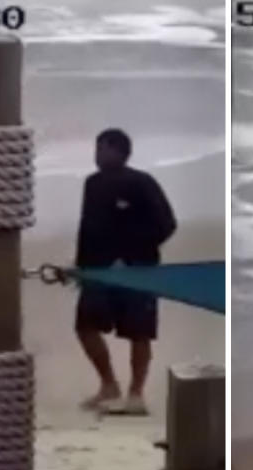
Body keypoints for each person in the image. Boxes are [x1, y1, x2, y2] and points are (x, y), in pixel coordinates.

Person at [75, 128, 177, 415]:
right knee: (85, 327)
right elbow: (87, 227)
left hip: (138, 269)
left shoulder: (141, 183)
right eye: (96, 149)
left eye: (102, 149)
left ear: (120, 152)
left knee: (138, 332)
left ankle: (136, 394)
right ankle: (108, 384)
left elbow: (167, 224)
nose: (96, 155)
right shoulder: (91, 184)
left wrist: (129, 256)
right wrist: (81, 267)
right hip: (98, 271)